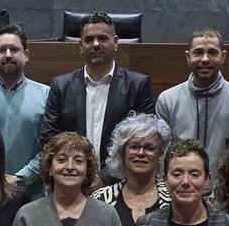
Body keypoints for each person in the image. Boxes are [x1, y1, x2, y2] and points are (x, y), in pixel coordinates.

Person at [38, 12, 156, 181]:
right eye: (88, 39)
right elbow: (49, 138)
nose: (95, 44)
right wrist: (77, 172)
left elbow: (144, 139)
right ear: (80, 45)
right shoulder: (61, 86)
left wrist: (105, 178)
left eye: (102, 38)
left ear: (115, 42)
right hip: (71, 180)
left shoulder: (137, 85)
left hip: (120, 182)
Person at [155, 29, 229, 174]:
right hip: (178, 189)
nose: (205, 59)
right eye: (198, 52)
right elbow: (163, 157)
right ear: (188, 57)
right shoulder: (167, 99)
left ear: (223, 56)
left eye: (213, 52)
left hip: (222, 191)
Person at [0, 24, 51, 193]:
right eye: (1, 50)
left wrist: (21, 178)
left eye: (14, 49)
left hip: (31, 193)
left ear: (26, 55)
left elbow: (51, 147)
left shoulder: (46, 95)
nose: (8, 55)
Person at [92, 114, 171, 226]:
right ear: (122, 153)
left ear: (160, 155)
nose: (141, 153)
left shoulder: (173, 198)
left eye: (149, 148)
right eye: (134, 147)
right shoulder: (99, 199)